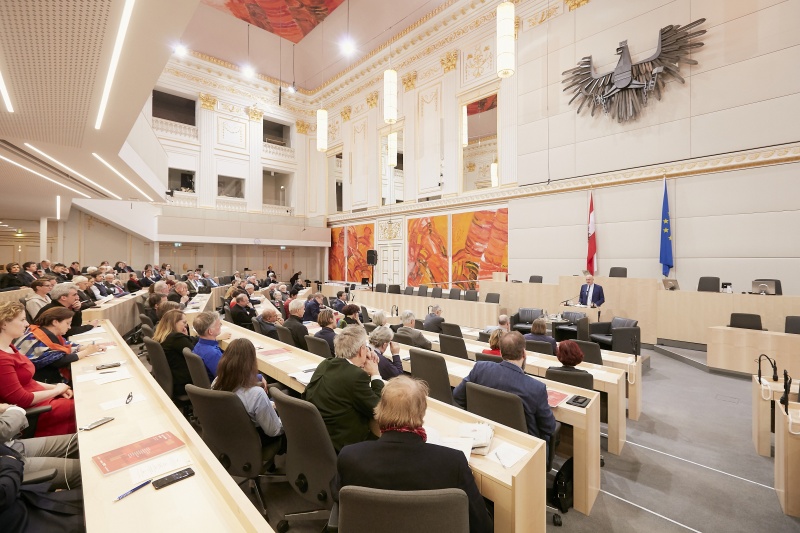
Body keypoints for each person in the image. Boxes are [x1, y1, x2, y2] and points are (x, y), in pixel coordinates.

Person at [335, 376, 493, 533]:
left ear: (380, 409)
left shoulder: (350, 456)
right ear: (422, 413)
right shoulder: (453, 462)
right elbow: (482, 526)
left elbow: (338, 498)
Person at [453, 331, 556, 444]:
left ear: (501, 352)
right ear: (524, 354)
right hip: (523, 446)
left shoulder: (480, 368)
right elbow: (549, 428)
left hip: (484, 435)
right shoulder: (537, 388)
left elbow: (458, 396)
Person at [0, 302, 76, 437]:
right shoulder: (2, 359)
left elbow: (28, 381)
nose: (27, 324)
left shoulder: (10, 346)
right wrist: (57, 390)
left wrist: (57, 388)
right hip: (35, 411)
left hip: (41, 399)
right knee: (84, 406)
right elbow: (22, 399)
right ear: (4, 323)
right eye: (22, 320)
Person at [303, 326, 383, 452]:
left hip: (321, 439)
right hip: (346, 444)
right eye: (365, 347)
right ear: (362, 350)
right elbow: (378, 408)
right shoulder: (356, 376)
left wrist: (362, 361)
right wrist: (375, 374)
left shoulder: (326, 363)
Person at [212, 338, 283, 448]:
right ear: (251, 362)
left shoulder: (216, 382)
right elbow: (274, 431)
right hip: (254, 441)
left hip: (227, 437)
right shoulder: (257, 394)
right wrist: (287, 418)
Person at [0, 403, 81, 489]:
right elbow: (3, 430)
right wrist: (14, 410)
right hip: (6, 463)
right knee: (83, 471)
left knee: (81, 439)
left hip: (8, 446)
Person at [15, 307, 101, 384]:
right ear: (55, 322)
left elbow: (65, 345)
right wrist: (87, 351)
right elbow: (58, 361)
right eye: (67, 323)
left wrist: (86, 347)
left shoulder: (46, 332)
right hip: (41, 382)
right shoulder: (35, 338)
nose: (69, 327)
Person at [152, 309, 196, 398]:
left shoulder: (163, 336)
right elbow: (195, 352)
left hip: (173, 380)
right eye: (184, 322)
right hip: (184, 383)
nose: (186, 325)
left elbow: (190, 341)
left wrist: (186, 337)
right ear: (174, 322)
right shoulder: (175, 338)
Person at [191, 311, 230, 381]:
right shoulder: (213, 353)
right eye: (219, 325)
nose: (220, 325)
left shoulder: (198, 346)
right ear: (210, 331)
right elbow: (227, 378)